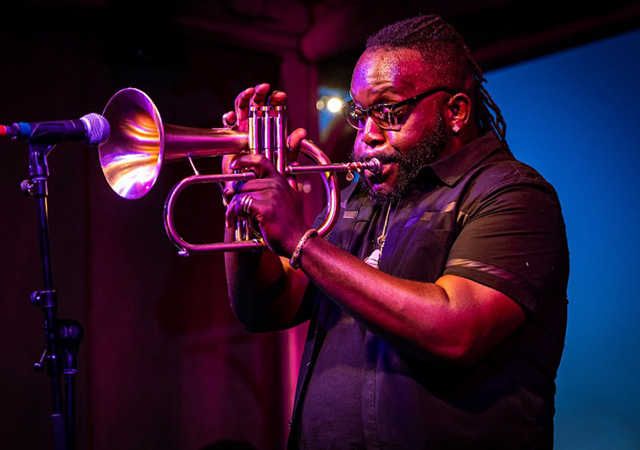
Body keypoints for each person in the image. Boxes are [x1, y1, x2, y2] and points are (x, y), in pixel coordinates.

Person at [222, 15, 569, 449]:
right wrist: (244, 211)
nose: (366, 135)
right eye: (360, 113)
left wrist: (300, 241)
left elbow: (452, 330)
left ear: (455, 112)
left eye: (389, 112)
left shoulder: (512, 195)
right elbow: (265, 311)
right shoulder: (359, 200)